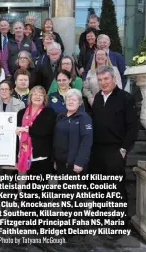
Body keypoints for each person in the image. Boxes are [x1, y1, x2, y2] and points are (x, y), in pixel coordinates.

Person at [89, 66, 138, 234]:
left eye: (106, 79)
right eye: (100, 80)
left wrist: (124, 148)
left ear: (114, 79)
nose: (103, 83)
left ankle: (119, 224)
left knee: (116, 187)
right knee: (97, 186)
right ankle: (99, 219)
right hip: (96, 149)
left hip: (115, 149)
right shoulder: (97, 97)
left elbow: (132, 127)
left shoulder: (126, 98)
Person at [53, 88, 93, 233]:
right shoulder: (61, 117)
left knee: (75, 196)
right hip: (62, 163)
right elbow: (56, 140)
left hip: (75, 164)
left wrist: (80, 162)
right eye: (68, 99)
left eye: (74, 99)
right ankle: (66, 224)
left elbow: (86, 141)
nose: (70, 101)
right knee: (65, 194)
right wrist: (55, 160)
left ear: (80, 102)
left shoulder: (84, 118)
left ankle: (76, 227)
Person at [16, 85, 56, 221]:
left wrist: (26, 130)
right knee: (26, 189)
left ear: (44, 98)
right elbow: (16, 134)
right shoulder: (21, 113)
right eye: (35, 94)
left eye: (41, 94)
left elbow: (44, 130)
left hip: (41, 156)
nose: (37, 96)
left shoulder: (49, 112)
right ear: (30, 97)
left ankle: (37, 219)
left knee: (38, 189)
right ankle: (27, 216)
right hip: (24, 156)